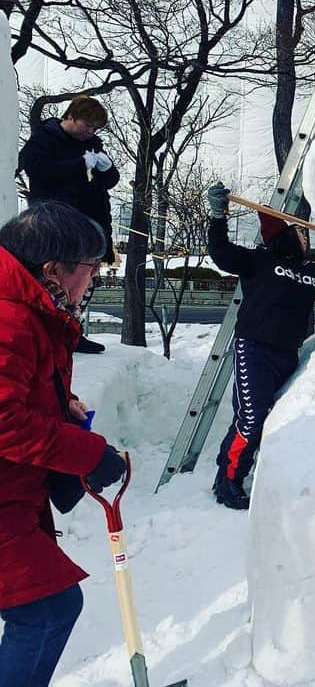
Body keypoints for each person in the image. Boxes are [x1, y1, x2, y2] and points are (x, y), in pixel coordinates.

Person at [0, 202, 128, 685]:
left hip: (13, 489)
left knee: (43, 608)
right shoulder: (9, 317)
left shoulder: (29, 307)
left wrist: (60, 405)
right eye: (92, 267)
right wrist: (88, 455)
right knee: (46, 610)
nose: (94, 279)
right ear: (53, 268)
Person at [205, 183, 315, 508]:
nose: (307, 239)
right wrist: (217, 215)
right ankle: (229, 484)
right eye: (302, 234)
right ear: (287, 236)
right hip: (254, 350)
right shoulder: (258, 260)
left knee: (251, 417)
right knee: (252, 418)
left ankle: (228, 467)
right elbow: (220, 252)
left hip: (286, 356)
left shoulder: (310, 273)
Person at [18, 95, 120, 354]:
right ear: (70, 116)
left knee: (86, 278)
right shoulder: (44, 138)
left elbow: (106, 181)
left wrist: (107, 169)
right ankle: (50, 333)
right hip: (57, 221)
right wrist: (78, 165)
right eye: (87, 124)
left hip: (90, 220)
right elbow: (36, 170)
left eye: (95, 128)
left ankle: (71, 330)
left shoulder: (93, 144)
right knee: (57, 278)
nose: (90, 131)